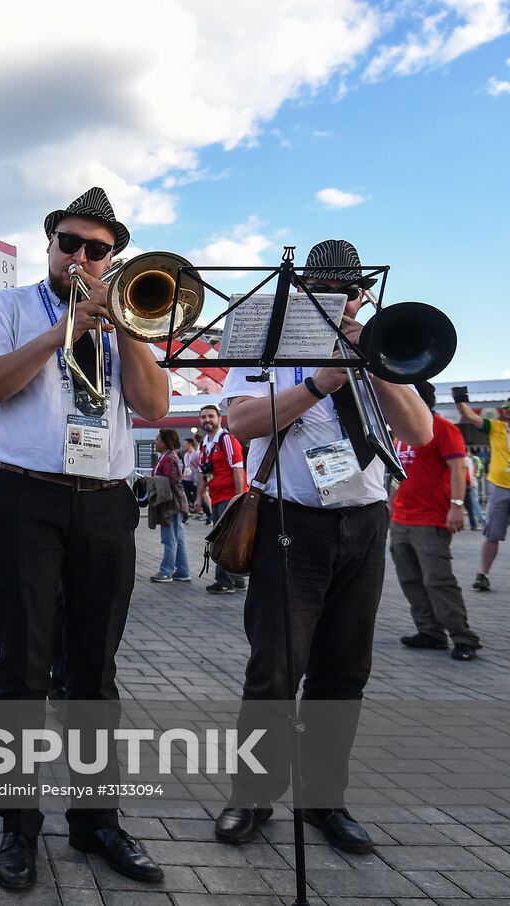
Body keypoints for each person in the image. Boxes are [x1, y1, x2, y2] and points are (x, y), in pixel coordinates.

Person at [0, 187, 171, 888]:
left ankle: (97, 821)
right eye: (69, 245)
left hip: (107, 502)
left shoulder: (129, 316)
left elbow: (154, 405)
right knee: (22, 667)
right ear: (49, 247)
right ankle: (18, 827)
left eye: (96, 249)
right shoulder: (11, 308)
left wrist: (120, 329)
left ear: (114, 259)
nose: (80, 257)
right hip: (28, 497)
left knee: (94, 671)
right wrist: (65, 330)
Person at [213, 239, 432, 856]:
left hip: (364, 523)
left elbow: (419, 431)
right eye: (332, 292)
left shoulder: (378, 349)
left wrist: (372, 363)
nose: (347, 302)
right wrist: (317, 382)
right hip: (293, 522)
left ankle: (322, 799)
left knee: (344, 673)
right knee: (276, 671)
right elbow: (241, 422)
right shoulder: (270, 343)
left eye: (354, 292)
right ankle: (252, 796)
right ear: (306, 293)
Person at [393, 382, 480, 661]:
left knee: (437, 580)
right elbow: (399, 472)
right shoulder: (400, 433)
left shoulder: (442, 428)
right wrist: (391, 501)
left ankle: (462, 636)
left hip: (431, 518)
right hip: (402, 518)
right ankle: (429, 631)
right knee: (410, 578)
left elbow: (458, 469)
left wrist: (456, 507)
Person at [453, 387, 510, 592]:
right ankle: (482, 574)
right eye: (507, 410)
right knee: (492, 535)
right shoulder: (496, 428)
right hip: (500, 487)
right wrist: (460, 398)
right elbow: (468, 416)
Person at [197, 403, 248, 593]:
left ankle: (224, 581)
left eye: (211, 416)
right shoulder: (206, 443)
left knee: (222, 538)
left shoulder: (226, 440)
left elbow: (237, 468)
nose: (207, 420)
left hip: (229, 497)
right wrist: (199, 496)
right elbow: (205, 473)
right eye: (203, 417)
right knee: (230, 537)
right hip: (217, 497)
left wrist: (238, 497)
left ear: (219, 418)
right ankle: (238, 579)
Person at [150, 428, 192, 583]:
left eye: (158, 439)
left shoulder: (169, 459)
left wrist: (152, 481)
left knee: (169, 539)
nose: (156, 442)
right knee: (177, 538)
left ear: (165, 441)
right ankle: (183, 571)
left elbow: (172, 481)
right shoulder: (168, 457)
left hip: (171, 503)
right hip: (174, 502)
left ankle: (166, 571)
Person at [181, 436, 201, 517]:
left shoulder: (196, 454)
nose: (185, 446)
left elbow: (199, 465)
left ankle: (198, 508)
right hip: (186, 477)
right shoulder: (185, 455)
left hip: (194, 478)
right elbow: (185, 466)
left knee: (195, 493)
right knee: (186, 494)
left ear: (190, 444)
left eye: (186, 444)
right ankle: (189, 508)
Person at [465, 452, 483, 530]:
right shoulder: (475, 459)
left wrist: (470, 482)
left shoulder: (466, 459)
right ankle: (478, 521)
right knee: (472, 504)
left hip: (469, 484)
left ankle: (480, 519)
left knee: (472, 504)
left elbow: (470, 472)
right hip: (472, 483)